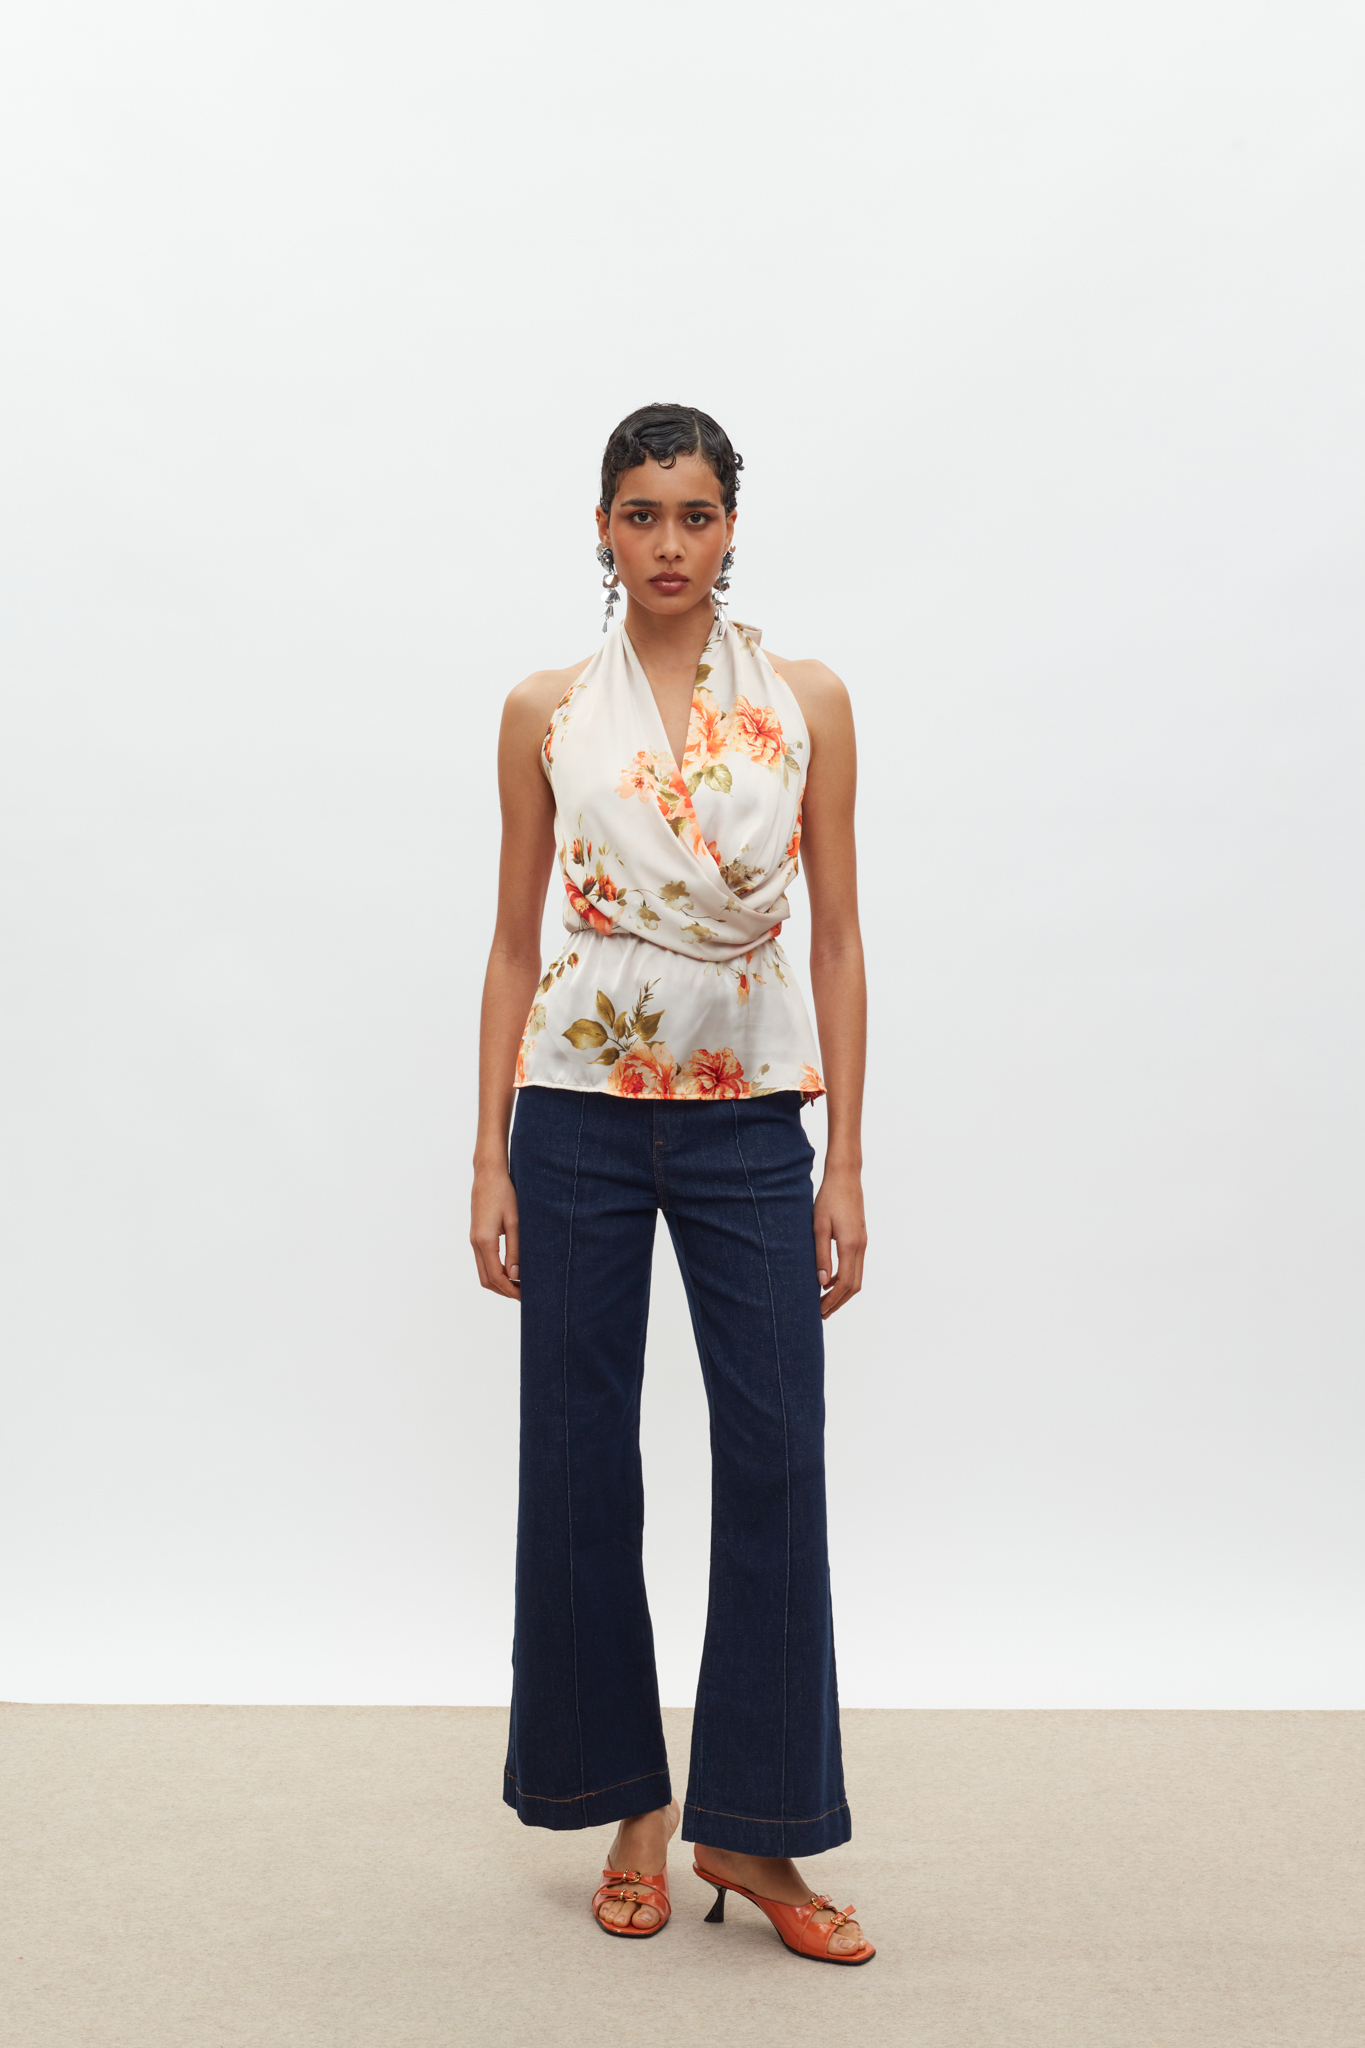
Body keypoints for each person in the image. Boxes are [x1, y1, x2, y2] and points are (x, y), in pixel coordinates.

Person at [470, 403, 872, 1964]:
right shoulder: (545, 710)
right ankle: (625, 1804)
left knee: (776, 1458)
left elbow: (836, 937)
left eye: (693, 515)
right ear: (600, 529)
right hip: (574, 1112)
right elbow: (513, 940)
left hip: (749, 1117)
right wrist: (486, 1153)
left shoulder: (807, 701)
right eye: (639, 514)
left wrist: (846, 1161)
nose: (667, 544)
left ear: (729, 529)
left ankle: (752, 1829)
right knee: (578, 1463)